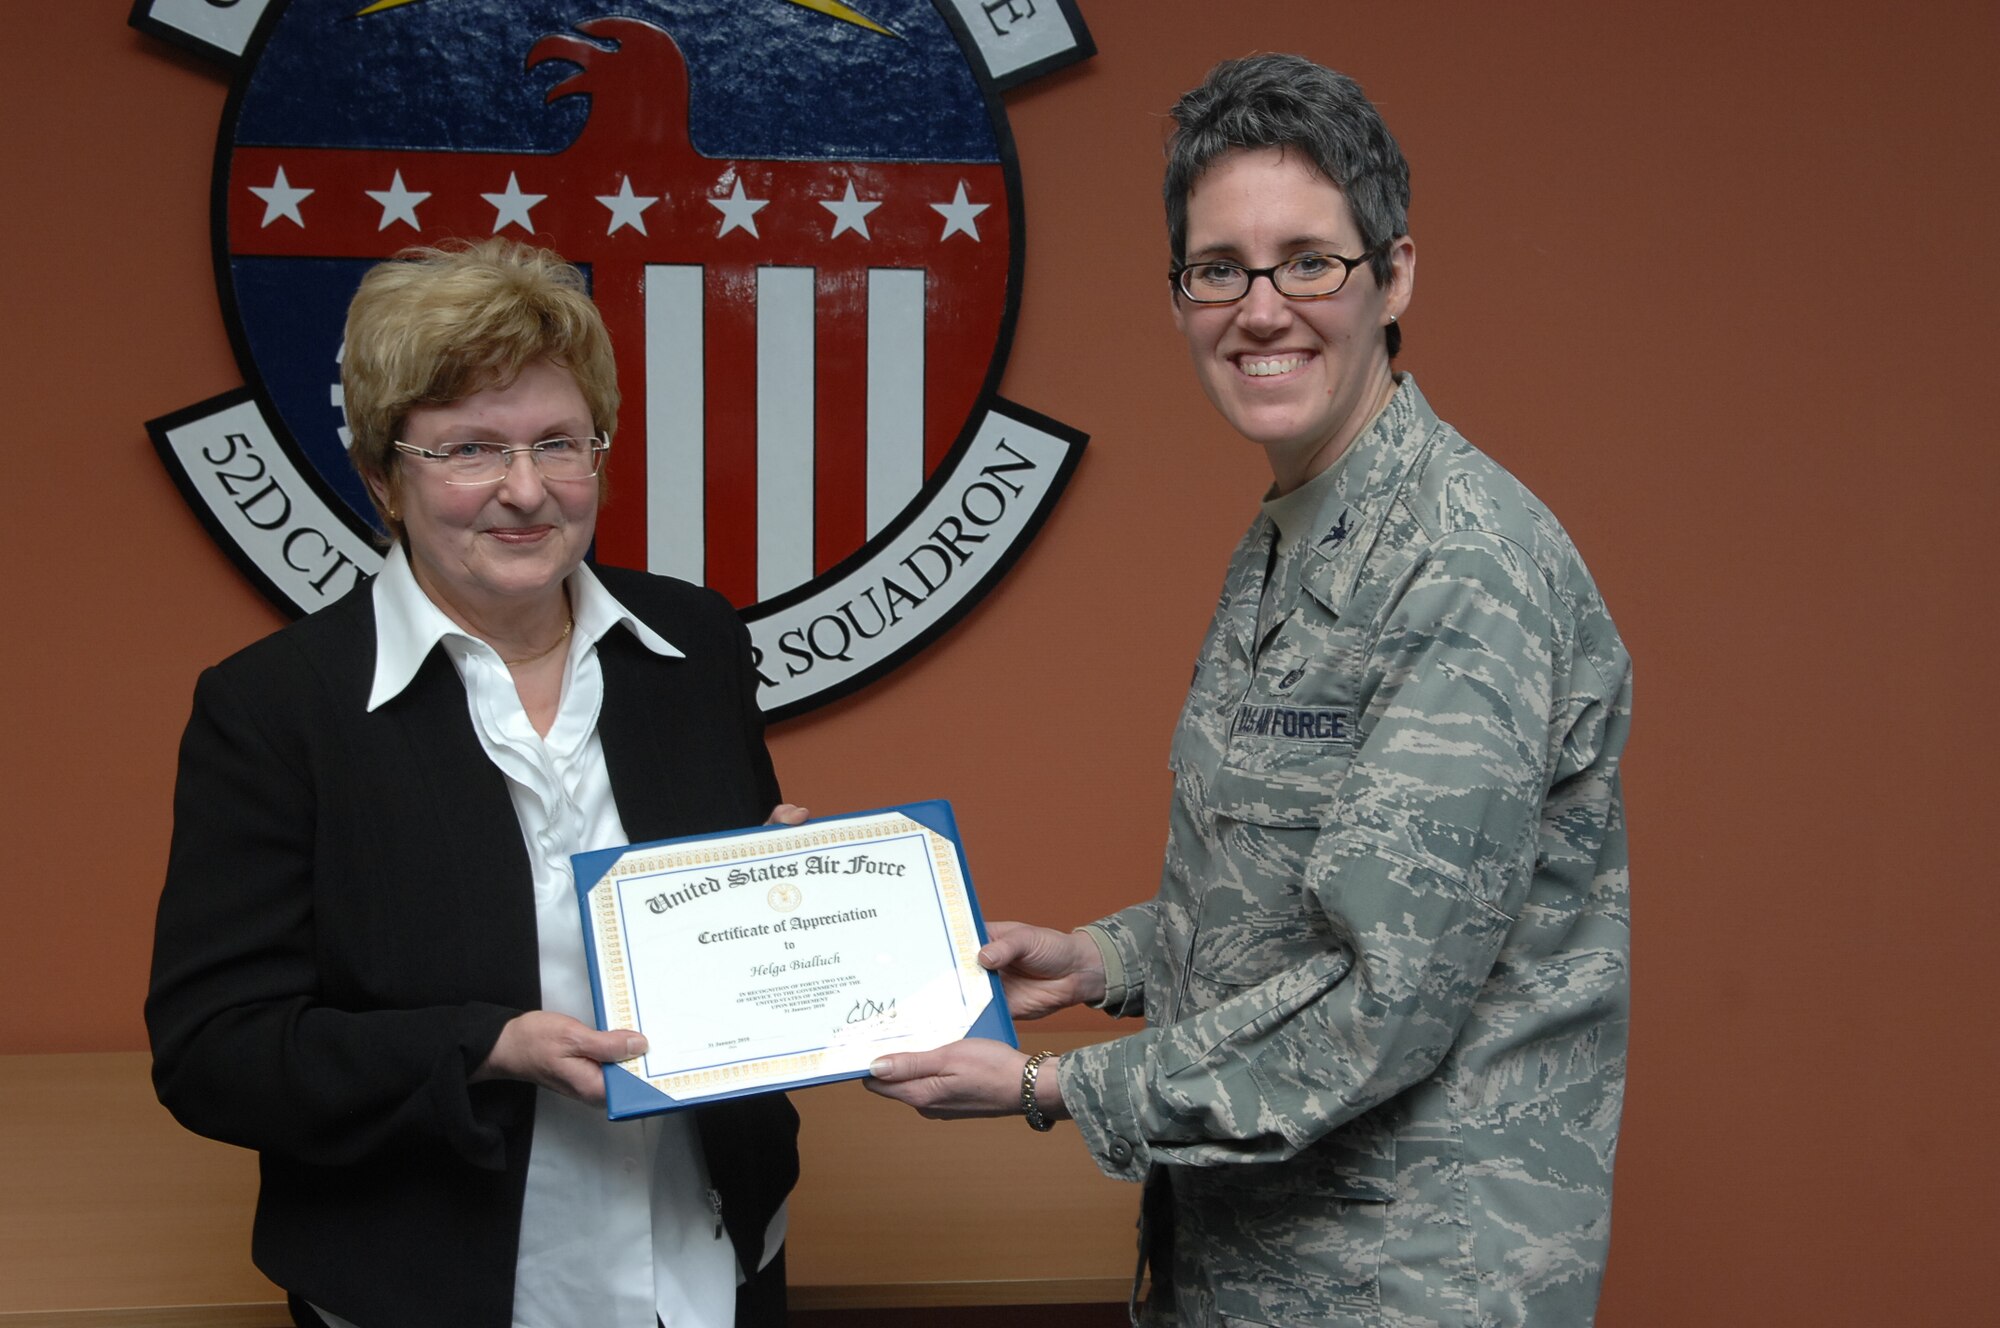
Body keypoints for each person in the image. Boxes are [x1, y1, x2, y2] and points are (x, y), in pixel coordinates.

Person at [865, 54, 1633, 1326]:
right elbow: (1293, 894)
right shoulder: (1300, 523)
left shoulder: (1459, 565)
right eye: (1217, 268)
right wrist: (1105, 954)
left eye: (1307, 262)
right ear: (1178, 299)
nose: (1258, 308)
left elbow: (1376, 991)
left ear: (1392, 278)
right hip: (1255, 1260)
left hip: (1404, 1275)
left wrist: (1049, 1088)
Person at [147, 239, 800, 1328]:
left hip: (707, 1263)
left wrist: (783, 895)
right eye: (468, 449)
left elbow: (714, 928)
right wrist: (489, 1045)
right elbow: (216, 1051)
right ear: (380, 475)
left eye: (559, 440)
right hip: (433, 1285)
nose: (525, 489)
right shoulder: (276, 708)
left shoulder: (693, 642)